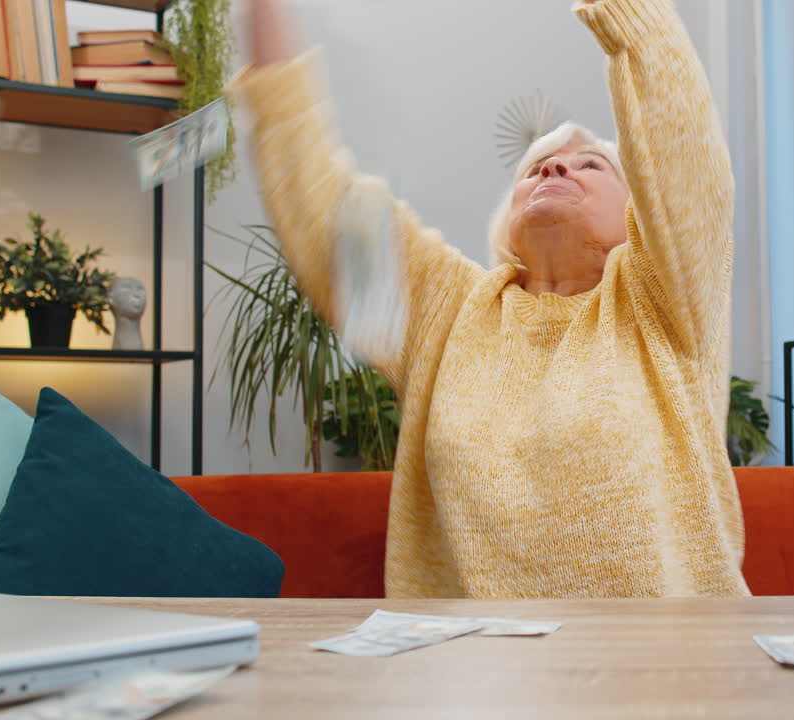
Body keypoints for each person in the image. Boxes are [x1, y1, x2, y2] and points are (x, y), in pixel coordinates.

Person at [234, 0, 748, 598]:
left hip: (666, 652)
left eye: (590, 165)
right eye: (536, 169)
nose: (555, 170)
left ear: (644, 209)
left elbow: (682, 149)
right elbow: (318, 203)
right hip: (478, 651)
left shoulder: (663, 300)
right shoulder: (448, 314)